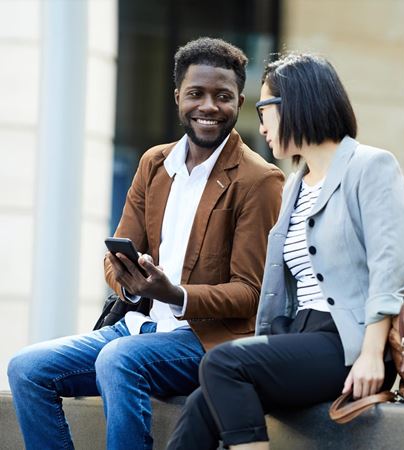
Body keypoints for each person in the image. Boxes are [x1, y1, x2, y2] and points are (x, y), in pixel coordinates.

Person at [6, 37, 284, 450]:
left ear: (239, 101)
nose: (209, 106)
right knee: (27, 369)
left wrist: (173, 294)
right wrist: (130, 281)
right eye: (196, 94)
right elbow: (115, 256)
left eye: (222, 96)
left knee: (120, 360)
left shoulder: (259, 180)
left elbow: (251, 293)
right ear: (178, 98)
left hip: (205, 341)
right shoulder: (155, 164)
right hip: (135, 326)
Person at [166, 53, 404, 449]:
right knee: (204, 401)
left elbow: (393, 268)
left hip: (347, 342)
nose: (261, 124)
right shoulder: (294, 187)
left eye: (265, 108)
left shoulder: (370, 167)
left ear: (296, 104)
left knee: (222, 364)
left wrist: (371, 354)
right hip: (300, 336)